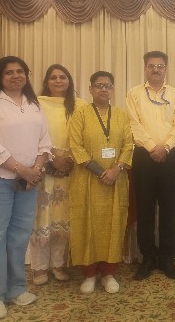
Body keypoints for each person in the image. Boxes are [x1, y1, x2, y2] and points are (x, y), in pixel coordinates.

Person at [0, 56, 51, 321]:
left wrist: (36, 169)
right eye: (9, 72)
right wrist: (23, 170)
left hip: (28, 181)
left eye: (20, 71)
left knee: (19, 237)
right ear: (0, 76)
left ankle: (16, 288)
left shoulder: (33, 104)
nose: (16, 76)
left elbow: (45, 142)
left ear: (27, 75)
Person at [68, 71, 133, 294]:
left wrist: (116, 169)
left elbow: (129, 145)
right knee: (87, 223)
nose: (103, 89)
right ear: (90, 89)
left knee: (114, 223)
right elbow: (75, 145)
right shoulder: (80, 113)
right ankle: (89, 274)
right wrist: (99, 172)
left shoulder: (122, 115)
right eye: (99, 85)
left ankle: (108, 273)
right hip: (87, 179)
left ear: (113, 90)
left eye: (108, 86)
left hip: (116, 180)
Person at [126, 51, 175, 280]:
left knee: (169, 210)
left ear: (166, 69)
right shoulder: (134, 93)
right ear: (145, 69)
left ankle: (167, 259)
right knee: (145, 210)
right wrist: (152, 147)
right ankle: (148, 258)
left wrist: (166, 147)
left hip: (169, 157)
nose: (156, 69)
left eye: (160, 66)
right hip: (143, 157)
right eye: (151, 66)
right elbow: (133, 124)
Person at [29, 64, 88, 286]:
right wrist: (52, 158)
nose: (58, 81)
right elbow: (32, 134)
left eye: (62, 77)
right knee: (42, 218)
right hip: (44, 166)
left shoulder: (80, 105)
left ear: (69, 81)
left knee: (64, 218)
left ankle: (58, 265)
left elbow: (85, 135)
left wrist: (70, 160)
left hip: (71, 169)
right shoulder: (36, 104)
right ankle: (39, 268)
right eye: (53, 77)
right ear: (47, 81)